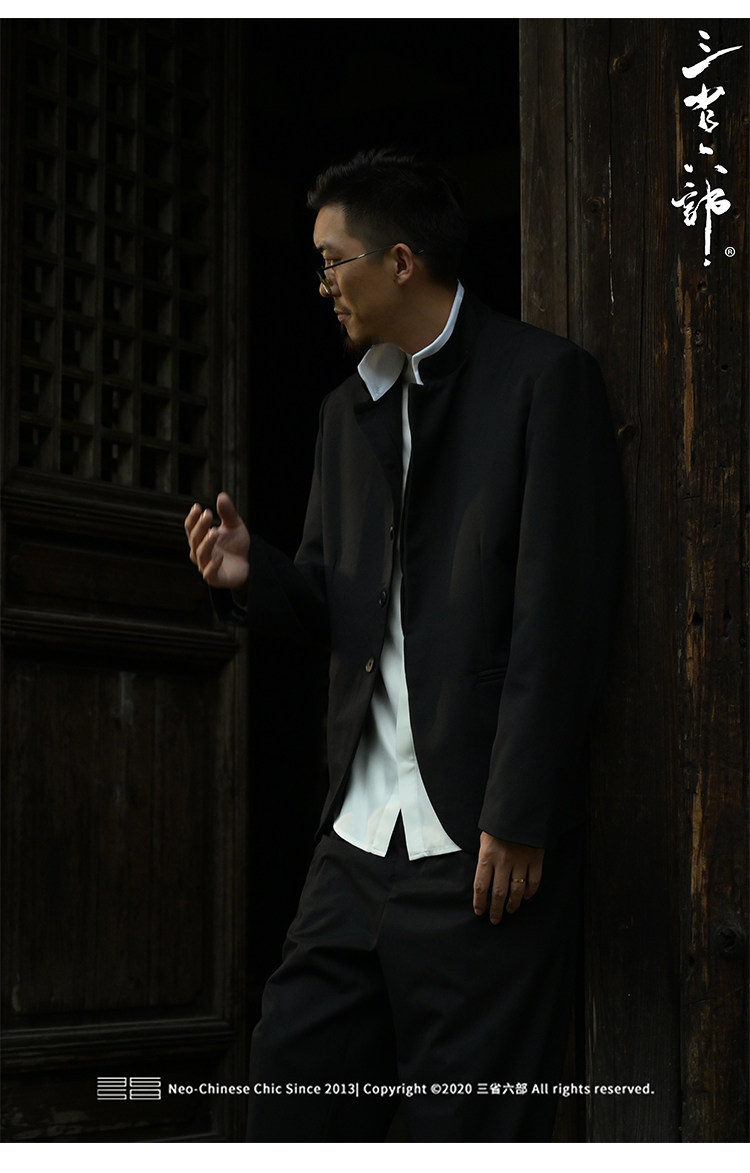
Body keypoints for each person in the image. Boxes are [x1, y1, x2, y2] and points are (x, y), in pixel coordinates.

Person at [184, 148, 624, 1142]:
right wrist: (254, 578)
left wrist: (519, 812)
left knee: (467, 1132)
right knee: (290, 1090)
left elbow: (562, 617)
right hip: (354, 846)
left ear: (400, 260)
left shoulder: (543, 382)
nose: (324, 285)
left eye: (332, 261)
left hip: (482, 850)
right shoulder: (345, 414)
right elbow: (336, 609)